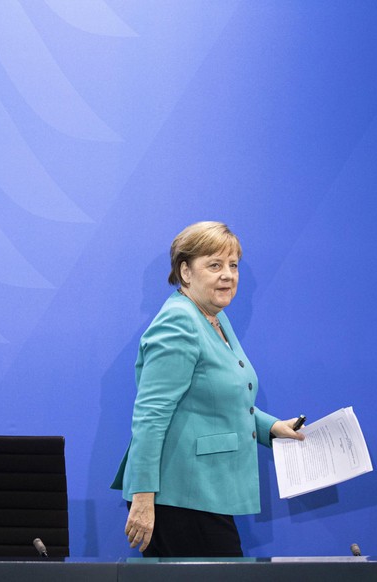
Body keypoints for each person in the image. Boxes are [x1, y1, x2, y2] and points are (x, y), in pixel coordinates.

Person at [111, 221, 305, 557]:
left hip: (205, 491)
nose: (228, 275)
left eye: (233, 265)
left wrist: (272, 427)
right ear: (185, 272)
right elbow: (150, 416)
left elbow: (219, 396)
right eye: (214, 265)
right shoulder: (179, 321)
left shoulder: (213, 317)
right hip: (178, 497)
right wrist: (143, 498)